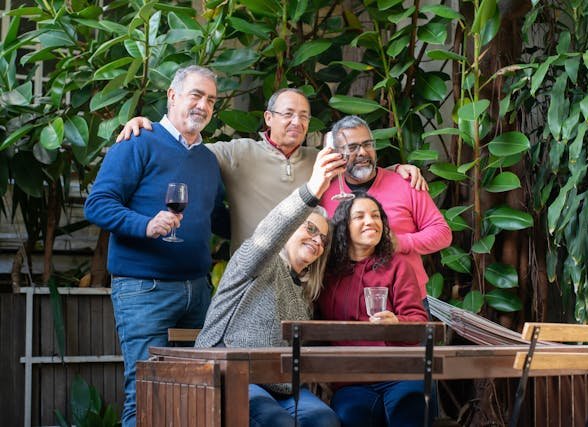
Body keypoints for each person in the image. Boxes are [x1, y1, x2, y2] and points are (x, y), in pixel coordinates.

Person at [84, 65, 229, 427]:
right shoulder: (137, 141)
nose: (203, 105)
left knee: (196, 395)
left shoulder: (208, 159)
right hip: (144, 289)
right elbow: (98, 204)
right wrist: (145, 225)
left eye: (210, 99)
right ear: (172, 96)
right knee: (146, 395)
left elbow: (216, 219)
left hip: (198, 291)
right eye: (196, 94)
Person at [117, 89, 428, 252]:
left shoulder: (320, 159)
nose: (297, 122)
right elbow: (184, 151)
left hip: (310, 272)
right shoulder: (237, 152)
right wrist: (150, 126)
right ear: (268, 118)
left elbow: (363, 168)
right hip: (253, 273)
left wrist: (400, 168)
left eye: (304, 116)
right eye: (288, 114)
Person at [195, 147, 343, 427]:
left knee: (325, 420)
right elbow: (271, 231)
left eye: (323, 238)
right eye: (309, 229)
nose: (317, 240)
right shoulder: (255, 260)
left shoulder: (304, 292)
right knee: (276, 422)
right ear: (289, 231)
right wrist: (312, 189)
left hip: (283, 389)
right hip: (231, 375)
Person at [317, 193, 430, 427]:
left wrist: (396, 322)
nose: (371, 221)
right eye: (359, 216)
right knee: (351, 415)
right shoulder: (327, 271)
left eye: (376, 216)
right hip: (351, 378)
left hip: (398, 372)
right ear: (343, 227)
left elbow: (419, 321)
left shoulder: (398, 265)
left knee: (409, 405)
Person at [320, 115, 452, 299]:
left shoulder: (406, 183)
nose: (362, 152)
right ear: (336, 153)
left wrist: (399, 242)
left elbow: (442, 233)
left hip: (405, 299)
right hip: (344, 301)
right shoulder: (325, 190)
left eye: (367, 144)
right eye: (352, 147)